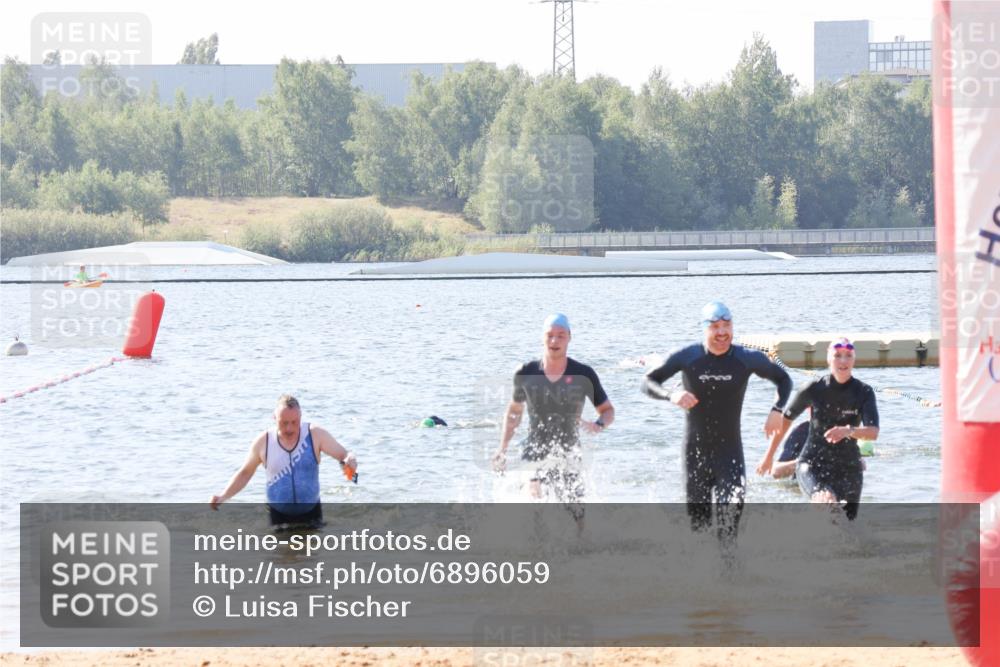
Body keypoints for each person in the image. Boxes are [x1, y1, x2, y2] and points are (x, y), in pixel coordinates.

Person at [642, 301, 792, 545]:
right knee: (698, 530)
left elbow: (784, 380)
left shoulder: (746, 358)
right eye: (715, 326)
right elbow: (648, 381)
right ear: (705, 329)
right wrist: (672, 395)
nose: (722, 332)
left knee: (729, 528)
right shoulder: (688, 356)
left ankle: (730, 578)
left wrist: (777, 409)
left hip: (730, 455)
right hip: (695, 455)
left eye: (727, 325)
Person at [493, 313, 615, 529]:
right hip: (534, 448)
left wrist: (598, 425)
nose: (554, 341)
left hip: (568, 451)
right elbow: (513, 412)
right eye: (550, 336)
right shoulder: (526, 372)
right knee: (535, 492)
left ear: (569, 337)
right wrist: (502, 449)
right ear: (542, 338)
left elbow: (607, 410)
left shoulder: (583, 373)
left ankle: (579, 551)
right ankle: (539, 549)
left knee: (577, 516)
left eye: (560, 336)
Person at [756, 337, 879, 520]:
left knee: (847, 526)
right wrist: (768, 456)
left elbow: (873, 432)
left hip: (849, 468)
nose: (843, 361)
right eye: (837, 356)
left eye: (848, 356)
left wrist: (848, 431)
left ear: (854, 359)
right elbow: (786, 420)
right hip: (813, 464)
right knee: (825, 503)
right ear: (829, 359)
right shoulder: (812, 389)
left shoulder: (864, 392)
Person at [210, 394, 357, 528]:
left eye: (294, 422)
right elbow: (245, 473)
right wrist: (223, 496)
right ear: (274, 418)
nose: (289, 428)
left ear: (300, 417)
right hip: (277, 515)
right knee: (280, 556)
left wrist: (349, 459)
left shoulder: (315, 435)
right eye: (284, 422)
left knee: (311, 556)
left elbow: (343, 454)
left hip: (311, 513)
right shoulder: (263, 442)